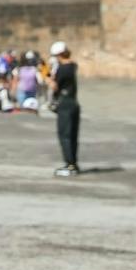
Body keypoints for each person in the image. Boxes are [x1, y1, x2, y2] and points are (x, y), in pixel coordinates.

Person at [49, 41, 81, 177]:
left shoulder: (62, 69)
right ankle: (73, 162)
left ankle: (70, 165)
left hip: (65, 105)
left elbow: (55, 86)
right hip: (73, 103)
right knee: (72, 135)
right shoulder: (72, 66)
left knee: (65, 135)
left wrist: (46, 77)